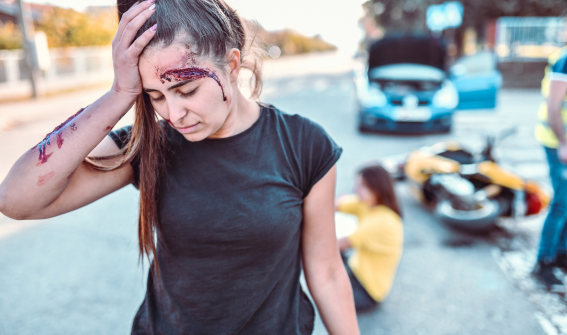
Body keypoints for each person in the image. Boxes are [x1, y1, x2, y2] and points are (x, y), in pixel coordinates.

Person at [0, 1, 360, 334]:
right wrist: (119, 95)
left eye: (186, 90)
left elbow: (327, 272)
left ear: (232, 66)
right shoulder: (151, 145)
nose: (173, 115)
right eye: (155, 96)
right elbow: (17, 199)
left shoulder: (305, 145)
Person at [336, 164, 403, 311]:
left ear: (378, 189)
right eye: (357, 184)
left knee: (325, 297)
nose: (355, 189)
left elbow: (336, 245)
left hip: (368, 291)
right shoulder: (367, 204)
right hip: (356, 269)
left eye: (362, 186)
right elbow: (335, 205)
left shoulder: (384, 221)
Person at [534, 46, 567, 291]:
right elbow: (553, 105)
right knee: (561, 203)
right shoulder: (565, 60)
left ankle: (561, 254)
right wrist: (563, 143)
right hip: (558, 142)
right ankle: (543, 262)